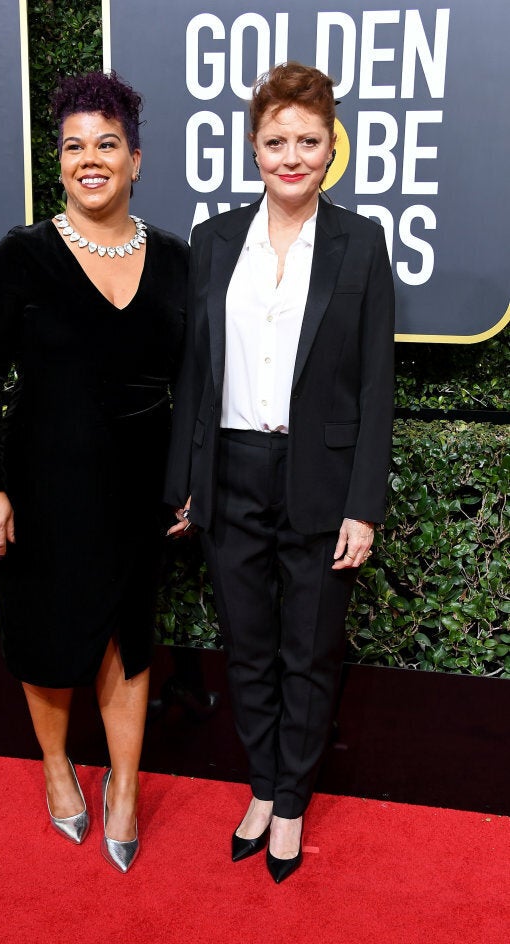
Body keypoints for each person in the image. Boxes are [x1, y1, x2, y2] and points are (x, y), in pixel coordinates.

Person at [165, 62, 394, 883]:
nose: (291, 156)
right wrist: (186, 477)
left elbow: (375, 383)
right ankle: (260, 785)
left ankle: (292, 801)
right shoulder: (215, 239)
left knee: (310, 648)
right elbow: (197, 368)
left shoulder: (361, 241)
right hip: (229, 469)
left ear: (331, 148)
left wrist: (363, 505)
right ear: (252, 147)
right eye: (275, 141)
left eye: (308, 141)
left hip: (319, 479)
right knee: (249, 645)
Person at [0, 70, 187, 873]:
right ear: (58, 161)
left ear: (135, 160)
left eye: (107, 145)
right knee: (48, 637)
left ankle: (124, 786)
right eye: (73, 146)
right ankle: (59, 771)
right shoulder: (21, 255)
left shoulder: (175, 260)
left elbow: (194, 382)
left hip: (139, 488)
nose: (90, 159)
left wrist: (186, 475)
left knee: (128, 640)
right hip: (42, 486)